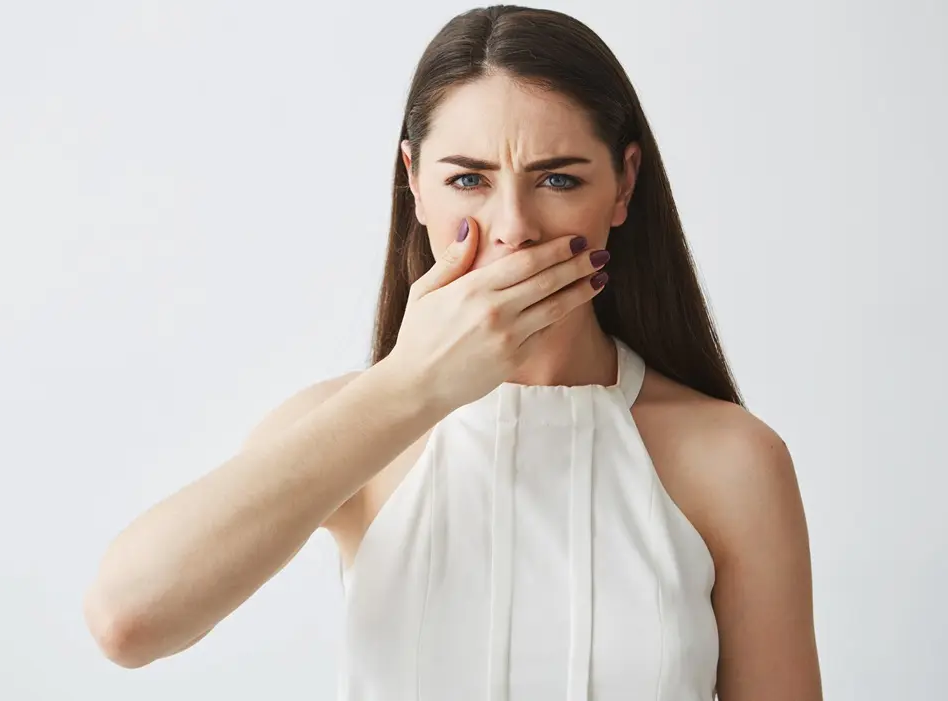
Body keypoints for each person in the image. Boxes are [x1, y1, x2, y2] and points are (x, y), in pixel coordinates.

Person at [83, 5, 822, 700]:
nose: (513, 227)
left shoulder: (734, 461)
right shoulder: (355, 429)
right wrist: (412, 386)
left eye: (558, 179)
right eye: (468, 179)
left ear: (624, 185)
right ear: (414, 183)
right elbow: (126, 620)